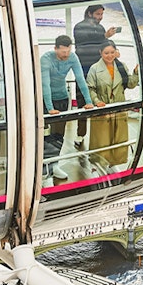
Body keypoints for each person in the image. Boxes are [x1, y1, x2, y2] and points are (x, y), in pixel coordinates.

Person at [39, 35, 93, 180]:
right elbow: (45, 85)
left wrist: (89, 102)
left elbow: (80, 79)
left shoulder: (72, 57)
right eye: (63, 52)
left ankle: (54, 165)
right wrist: (49, 108)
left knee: (59, 134)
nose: (66, 55)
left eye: (68, 51)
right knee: (40, 135)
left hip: (62, 98)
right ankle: (41, 166)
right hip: (44, 99)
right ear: (55, 48)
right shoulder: (45, 59)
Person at [85, 41, 141, 174]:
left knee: (117, 136)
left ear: (116, 52)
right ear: (100, 53)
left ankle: (113, 162)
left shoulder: (121, 66)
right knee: (102, 138)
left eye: (112, 52)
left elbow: (130, 84)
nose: (109, 56)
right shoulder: (94, 68)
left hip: (119, 107)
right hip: (102, 109)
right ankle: (99, 162)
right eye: (106, 53)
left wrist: (136, 73)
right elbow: (90, 88)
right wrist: (97, 101)